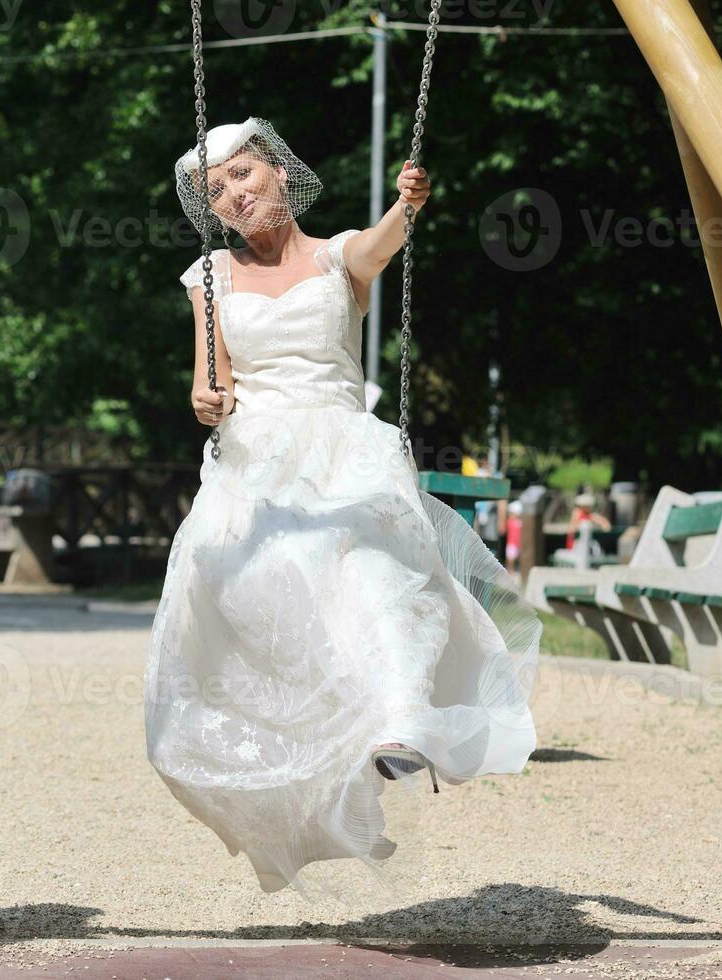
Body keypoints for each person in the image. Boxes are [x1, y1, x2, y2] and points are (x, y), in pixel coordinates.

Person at [145, 117, 541, 897]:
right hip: (256, 459)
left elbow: (379, 246)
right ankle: (322, 755)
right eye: (216, 189)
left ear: (281, 176)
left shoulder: (338, 257)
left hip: (341, 445)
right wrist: (205, 400)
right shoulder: (210, 277)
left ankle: (400, 721)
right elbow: (210, 380)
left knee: (375, 579)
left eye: (243, 175)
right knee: (266, 593)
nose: (233, 193)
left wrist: (406, 206)